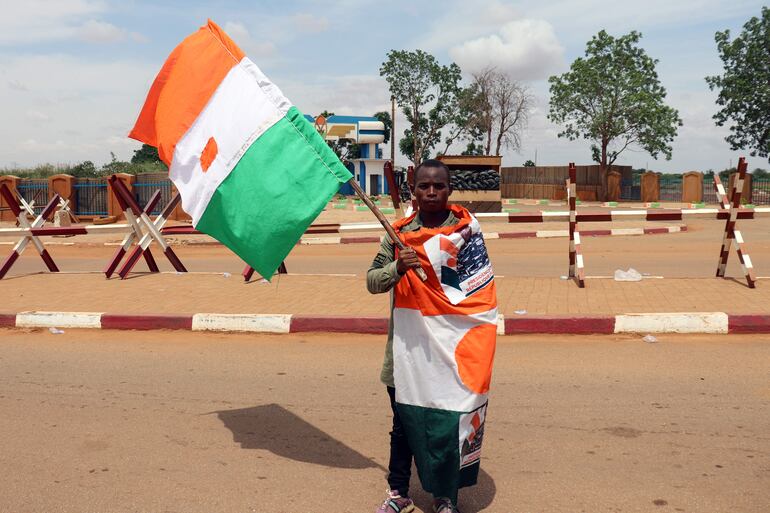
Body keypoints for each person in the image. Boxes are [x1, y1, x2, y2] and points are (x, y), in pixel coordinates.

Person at [367, 159, 498, 513]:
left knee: (450, 426)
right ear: (414, 190)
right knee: (403, 428)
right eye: (424, 186)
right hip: (408, 352)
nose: (431, 192)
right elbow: (371, 281)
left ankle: (445, 496)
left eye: (438, 186)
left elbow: (477, 292)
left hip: (453, 350)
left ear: (449, 189)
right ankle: (398, 492)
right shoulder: (398, 235)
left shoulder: (466, 231)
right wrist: (398, 267)